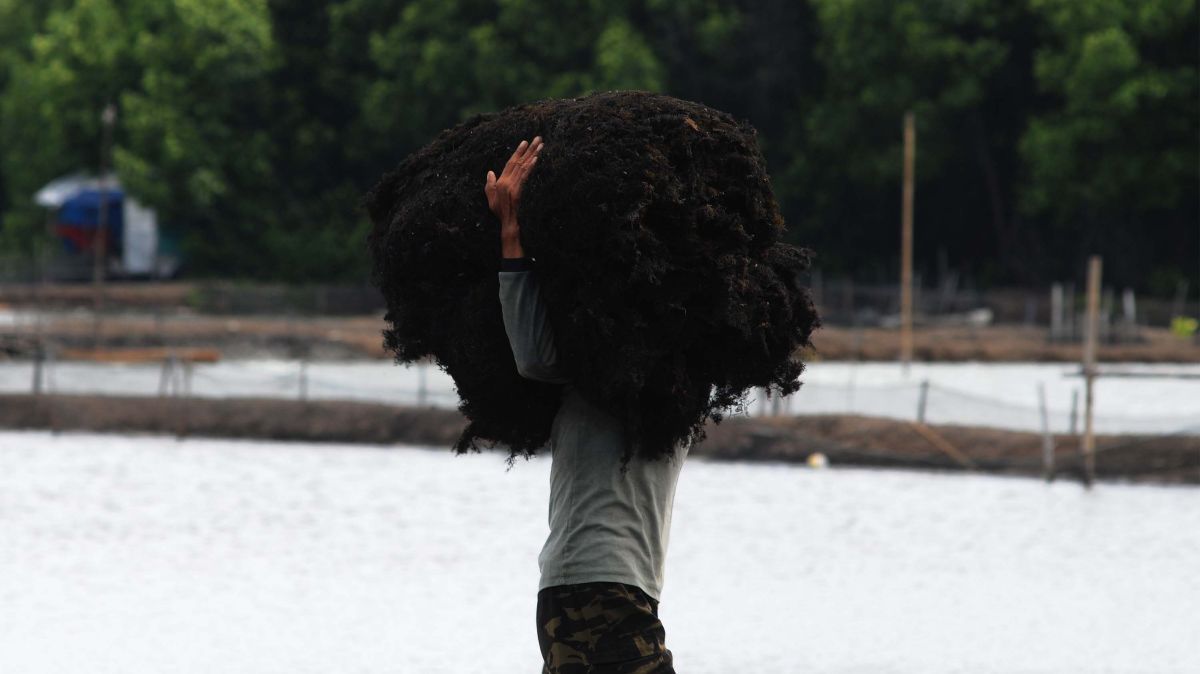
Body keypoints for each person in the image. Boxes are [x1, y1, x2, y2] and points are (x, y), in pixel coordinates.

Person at [485, 137, 686, 674]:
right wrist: (511, 232)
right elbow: (533, 356)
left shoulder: (680, 371)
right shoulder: (609, 367)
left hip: (616, 589)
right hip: (594, 587)